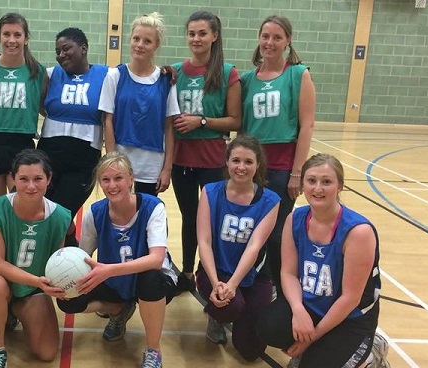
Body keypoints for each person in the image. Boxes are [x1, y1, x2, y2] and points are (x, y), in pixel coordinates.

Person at [256, 153, 388, 368]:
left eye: (326, 182)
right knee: (269, 327)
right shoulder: (295, 219)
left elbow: (350, 298)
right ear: (302, 184)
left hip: (350, 317)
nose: (318, 188)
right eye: (311, 181)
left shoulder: (358, 232)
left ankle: (372, 353)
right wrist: (298, 311)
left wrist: (309, 340)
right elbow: (288, 273)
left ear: (340, 186)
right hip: (311, 305)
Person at [57, 151, 178, 368]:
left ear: (131, 179)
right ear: (100, 183)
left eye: (118, 178)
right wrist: (62, 272)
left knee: (150, 279)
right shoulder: (95, 212)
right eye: (106, 179)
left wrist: (109, 270)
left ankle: (153, 350)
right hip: (114, 280)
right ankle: (119, 310)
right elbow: (83, 258)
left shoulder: (153, 207)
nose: (112, 185)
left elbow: (156, 260)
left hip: (150, 279)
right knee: (68, 298)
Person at [0, 149, 71, 368]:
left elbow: (57, 261)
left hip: (31, 289)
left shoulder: (61, 216)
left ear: (49, 179)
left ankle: (11, 311)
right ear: (13, 179)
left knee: (46, 353)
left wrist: (62, 284)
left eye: (38, 179)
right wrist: (37, 282)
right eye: (23, 179)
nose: (31, 186)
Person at [241, 15, 316, 296]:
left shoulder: (298, 75)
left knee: (276, 234)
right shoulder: (247, 79)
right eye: (265, 36)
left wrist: (298, 171)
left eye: (277, 37)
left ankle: (275, 286)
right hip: (251, 165)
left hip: (283, 165)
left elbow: (306, 125)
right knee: (249, 230)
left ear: (287, 41)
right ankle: (249, 283)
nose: (269, 42)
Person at [171, 11, 242, 293]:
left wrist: (200, 121)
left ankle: (210, 276)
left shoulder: (227, 72)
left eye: (202, 33)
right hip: (181, 159)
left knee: (212, 222)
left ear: (214, 36)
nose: (196, 38)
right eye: (192, 33)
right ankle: (187, 273)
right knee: (189, 218)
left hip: (212, 158)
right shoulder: (175, 72)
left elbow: (235, 121)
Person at [196, 135, 279, 359]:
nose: (241, 167)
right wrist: (216, 283)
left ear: (258, 165)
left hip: (253, 273)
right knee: (231, 307)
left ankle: (250, 305)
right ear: (227, 161)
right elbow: (203, 240)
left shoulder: (271, 200)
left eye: (248, 162)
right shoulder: (210, 192)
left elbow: (255, 245)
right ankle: (218, 315)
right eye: (236, 160)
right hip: (217, 269)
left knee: (251, 351)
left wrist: (232, 285)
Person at [38, 27, 109, 246]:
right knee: (43, 212)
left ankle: (63, 262)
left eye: (66, 48)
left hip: (84, 159)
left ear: (84, 48)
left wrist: (165, 71)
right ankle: (66, 252)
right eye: (58, 51)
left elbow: (140, 72)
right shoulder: (49, 75)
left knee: (60, 215)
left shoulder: (107, 74)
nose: (61, 55)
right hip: (49, 154)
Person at [99, 12, 180, 197]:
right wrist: (111, 162)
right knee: (119, 218)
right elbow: (108, 121)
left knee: (145, 218)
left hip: (151, 168)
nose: (140, 45)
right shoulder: (115, 76)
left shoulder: (165, 80)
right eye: (136, 39)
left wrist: (167, 169)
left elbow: (169, 128)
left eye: (147, 41)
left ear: (156, 45)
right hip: (121, 162)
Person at [0, 13, 46, 202]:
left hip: (21, 144)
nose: (11, 40)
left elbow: (44, 108)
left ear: (26, 38)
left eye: (17, 35)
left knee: (21, 207)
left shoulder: (38, 72)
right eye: (6, 34)